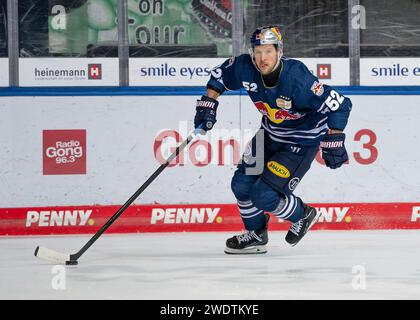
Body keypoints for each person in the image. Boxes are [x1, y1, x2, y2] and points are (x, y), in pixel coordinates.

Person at [193, 25, 352, 254]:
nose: (262, 58)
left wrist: (335, 137)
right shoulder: (245, 67)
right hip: (267, 137)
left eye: (268, 51)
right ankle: (256, 234)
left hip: (299, 144)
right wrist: (209, 103)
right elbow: (220, 77)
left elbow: (341, 105)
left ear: (279, 51)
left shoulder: (298, 79)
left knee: (264, 195)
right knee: (241, 185)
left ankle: (303, 214)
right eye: (257, 52)